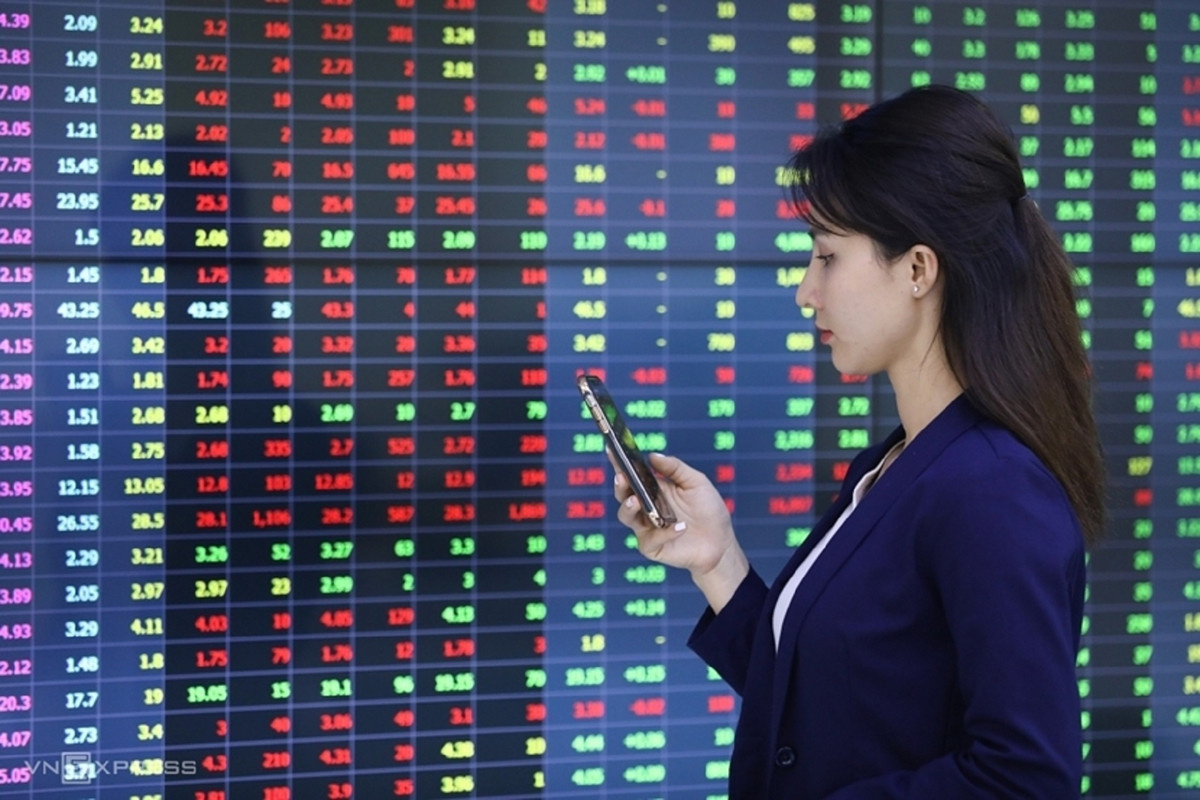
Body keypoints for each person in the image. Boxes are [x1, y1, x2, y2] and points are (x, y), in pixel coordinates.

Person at [611, 84, 1105, 798]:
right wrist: (717, 561)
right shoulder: (897, 463)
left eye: (827, 257)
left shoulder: (993, 487)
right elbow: (826, 716)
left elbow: (1024, 778)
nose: (805, 291)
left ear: (918, 270)